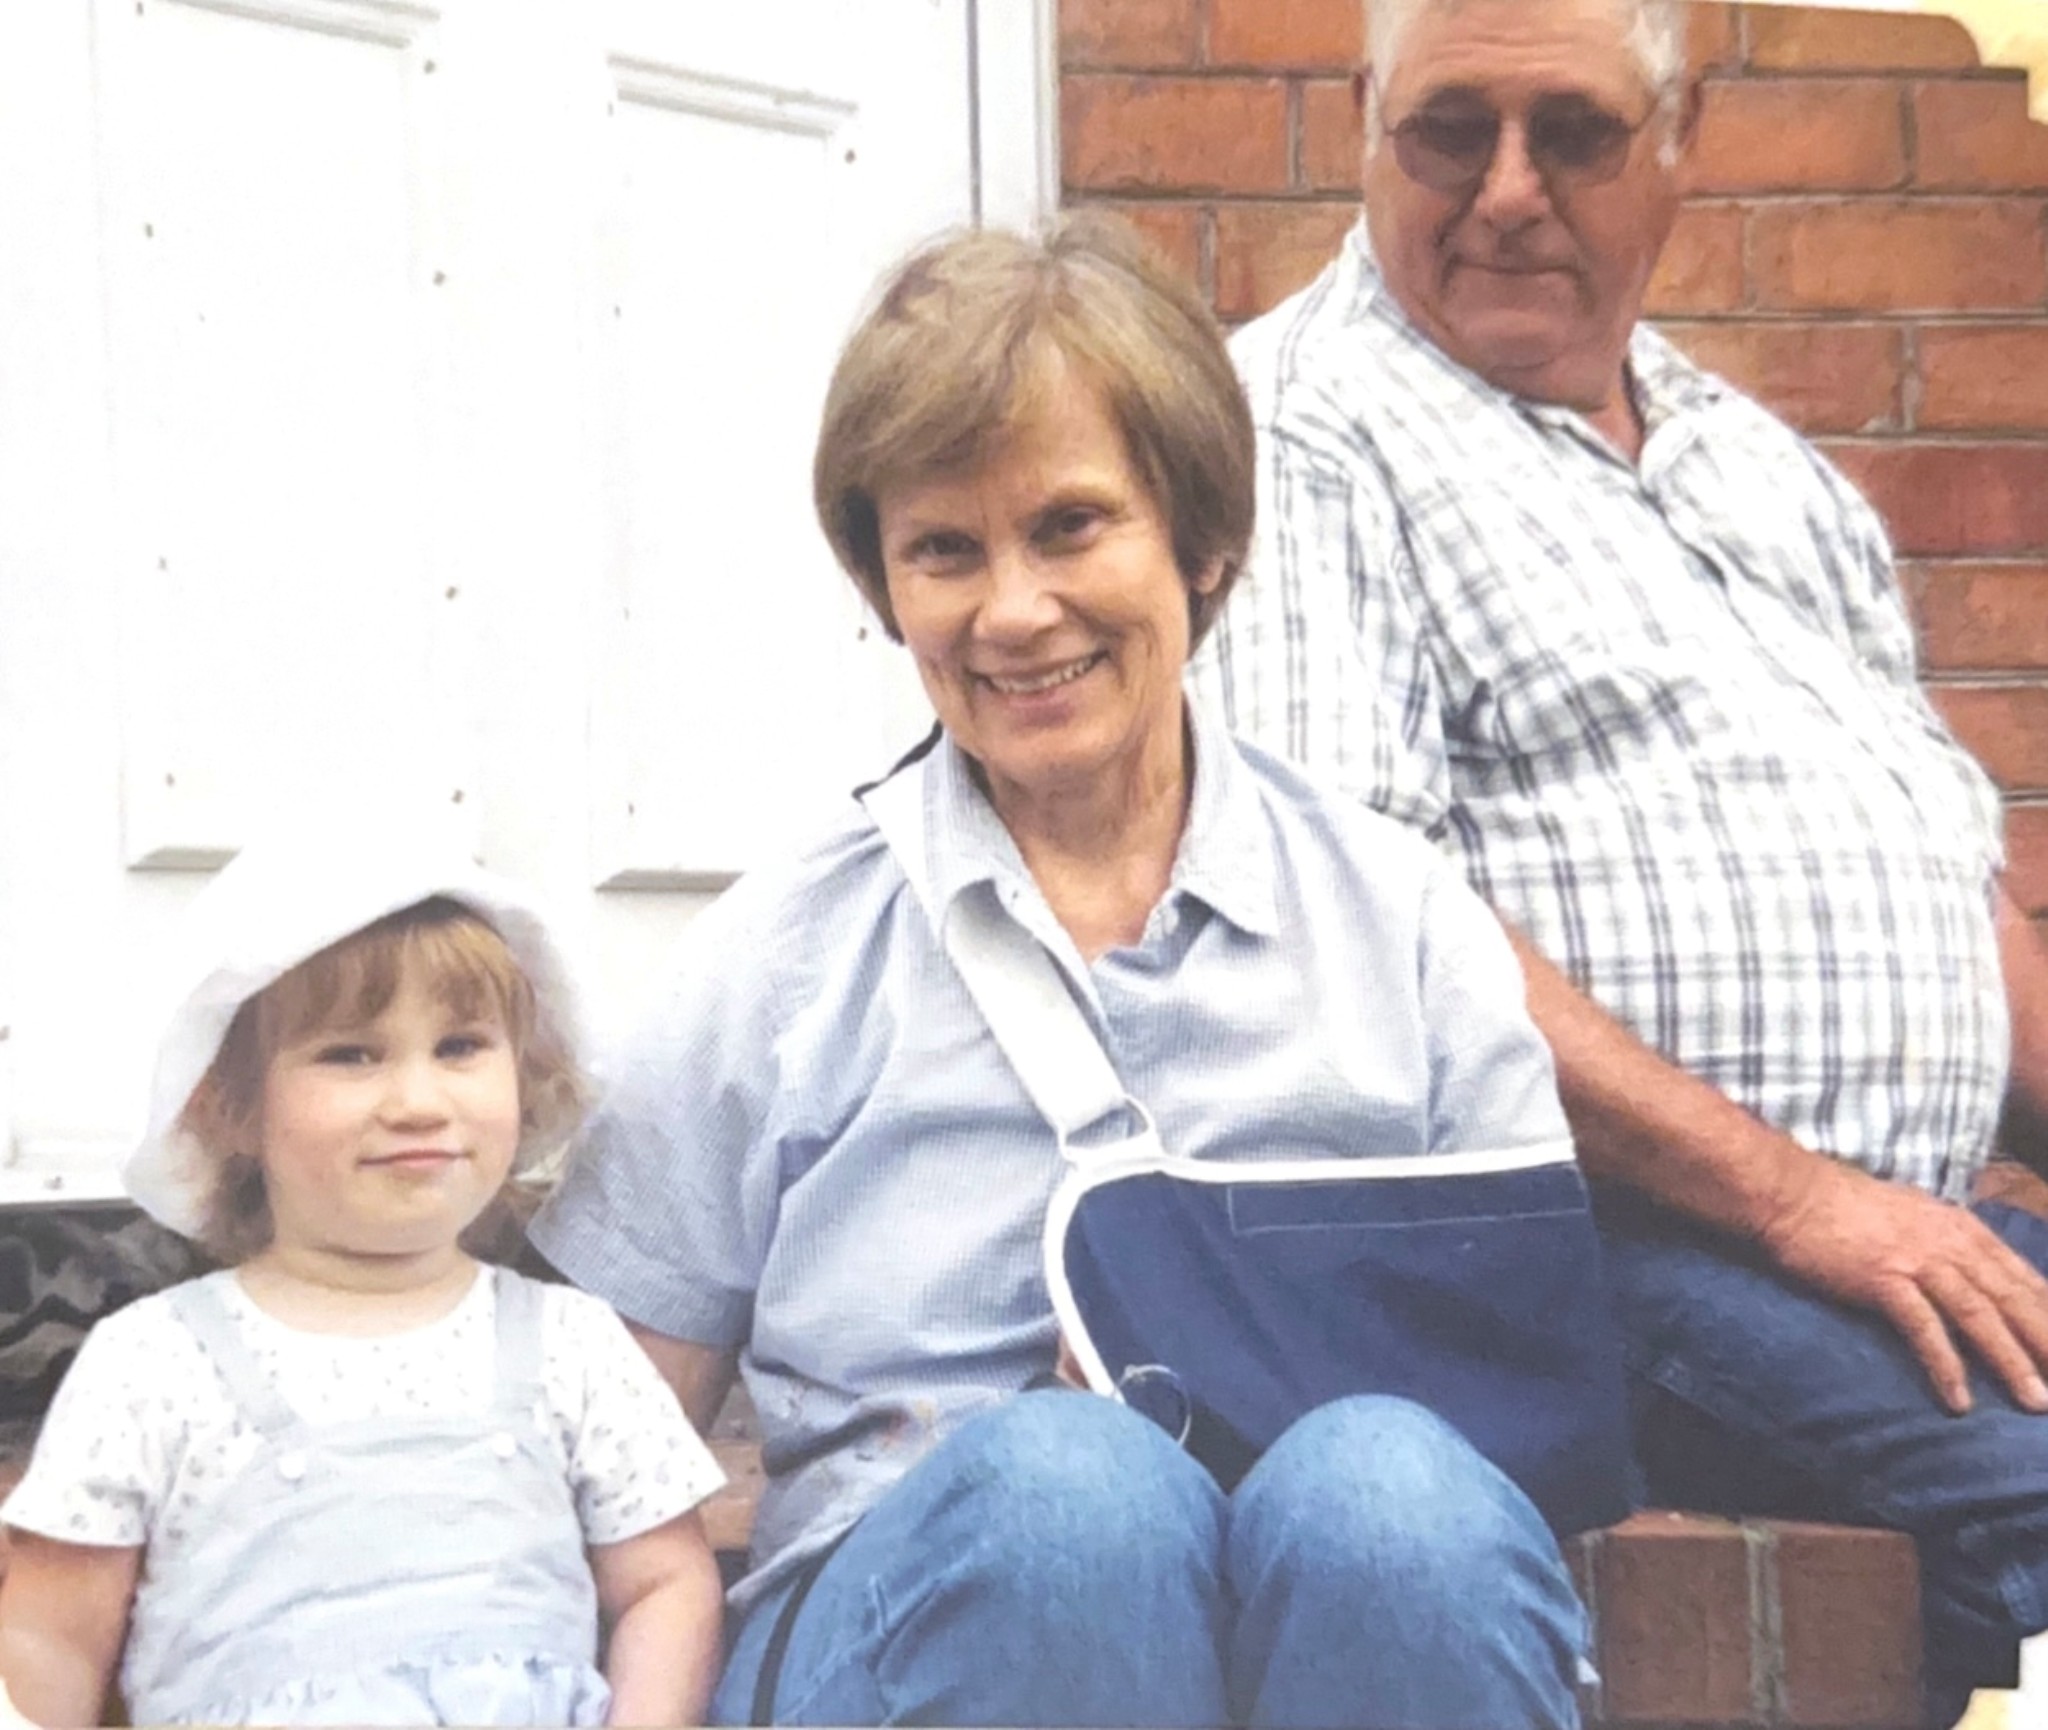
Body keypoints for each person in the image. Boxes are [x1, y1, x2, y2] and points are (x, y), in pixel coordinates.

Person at [530, 213, 1597, 1729]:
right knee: (1071, 1499)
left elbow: (1515, 1402)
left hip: (1337, 1637)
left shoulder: (1400, 921)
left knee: (1394, 1496)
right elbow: (594, 1463)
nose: (1013, 611)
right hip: (899, 1642)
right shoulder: (784, 957)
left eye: (1070, 526)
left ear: (1202, 540)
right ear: (883, 583)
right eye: (944, 550)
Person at [1189, 0, 2048, 1715]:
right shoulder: (1293, 432)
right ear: (1364, 124)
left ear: (1675, 145)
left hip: (1887, 1229)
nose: (1508, 191)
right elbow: (1372, 929)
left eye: (1572, 133)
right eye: (1452, 129)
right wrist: (1804, 1203)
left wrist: (1875, 1206)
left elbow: (1956, 887)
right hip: (1580, 1236)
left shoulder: (1759, 468)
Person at [0, 829, 727, 1728]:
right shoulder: (153, 1364)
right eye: (352, 1054)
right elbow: (54, 1639)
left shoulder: (571, 1346)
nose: (418, 1102)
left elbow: (665, 1582)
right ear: (227, 1107)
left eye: (460, 1046)